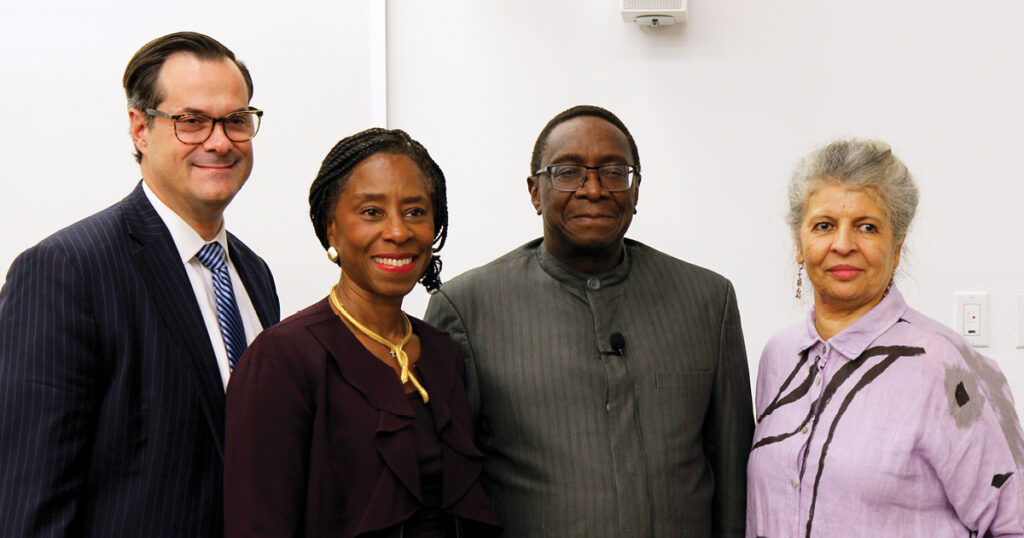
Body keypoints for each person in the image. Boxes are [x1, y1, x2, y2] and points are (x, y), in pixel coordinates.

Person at [424, 105, 753, 537]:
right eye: (568, 172)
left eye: (614, 172)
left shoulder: (709, 301)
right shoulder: (467, 308)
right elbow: (447, 489)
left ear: (635, 191)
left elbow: (733, 478)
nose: (593, 189)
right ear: (535, 192)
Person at [0, 32, 280, 537]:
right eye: (191, 121)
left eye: (236, 120)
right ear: (140, 129)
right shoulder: (65, 270)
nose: (220, 141)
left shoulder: (254, 274)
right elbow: (29, 499)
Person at [224, 128, 501, 537]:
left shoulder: (443, 354)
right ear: (331, 228)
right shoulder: (283, 358)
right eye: (372, 212)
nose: (398, 231)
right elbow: (258, 524)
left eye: (415, 212)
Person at [746, 139, 1024, 536]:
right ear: (799, 244)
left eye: (867, 227)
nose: (843, 244)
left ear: (896, 247)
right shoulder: (780, 356)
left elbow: (1013, 521)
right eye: (824, 225)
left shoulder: (947, 365)